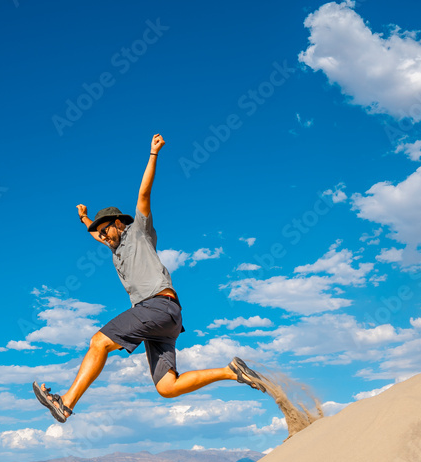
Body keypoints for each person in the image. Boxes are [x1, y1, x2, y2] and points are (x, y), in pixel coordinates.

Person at [33, 133, 270, 422]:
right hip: (164, 321)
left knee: (99, 342)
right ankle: (231, 371)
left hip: (156, 307)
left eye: (106, 229)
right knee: (167, 387)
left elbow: (144, 195)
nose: (104, 235)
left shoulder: (138, 232)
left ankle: (66, 403)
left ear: (119, 223)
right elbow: (97, 235)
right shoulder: (115, 248)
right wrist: (84, 219)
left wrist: (153, 154)